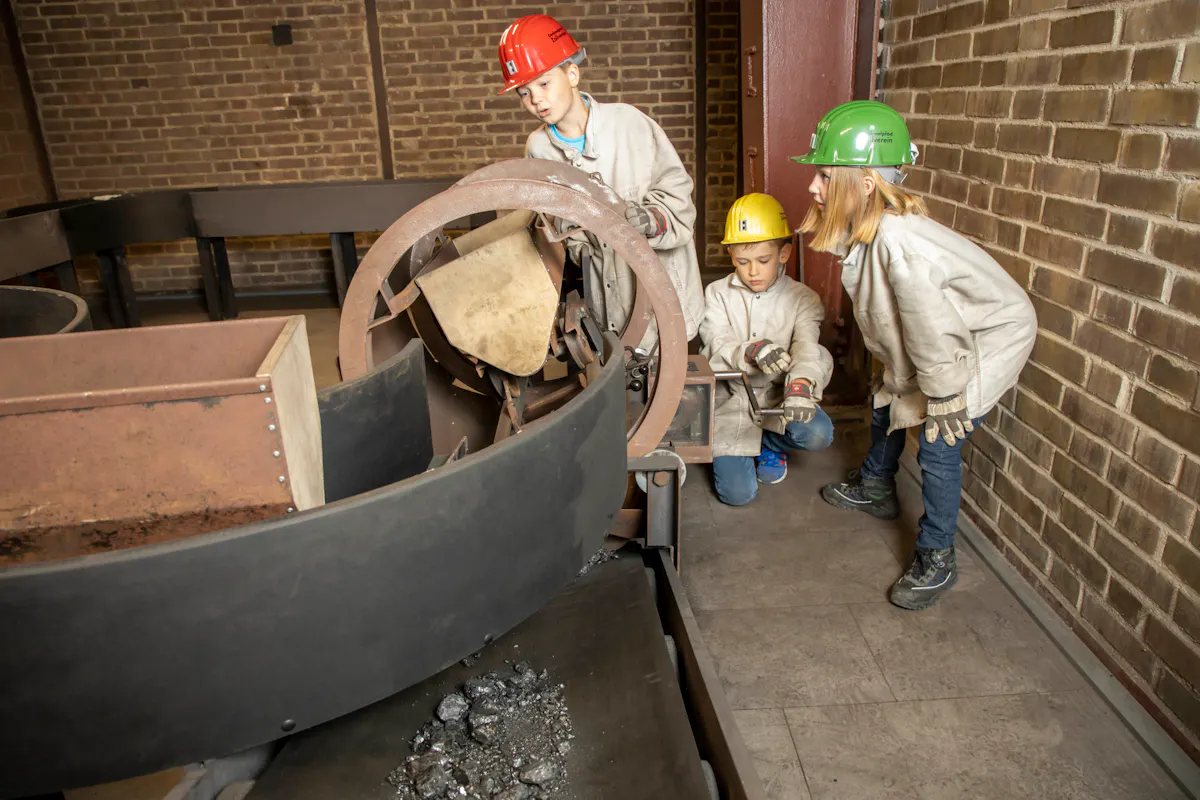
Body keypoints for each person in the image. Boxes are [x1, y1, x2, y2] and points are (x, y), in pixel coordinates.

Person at [793, 100, 1036, 610]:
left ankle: (937, 554)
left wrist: (946, 394)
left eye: (824, 175)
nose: (813, 186)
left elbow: (931, 323)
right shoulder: (870, 228)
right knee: (890, 396)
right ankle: (877, 487)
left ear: (864, 184)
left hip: (987, 336)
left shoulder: (899, 242)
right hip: (942, 335)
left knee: (938, 439)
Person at [496, 14, 705, 346]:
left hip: (663, 294)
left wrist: (651, 219)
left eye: (544, 83)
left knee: (670, 366)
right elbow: (547, 223)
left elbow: (677, 195)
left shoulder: (630, 125)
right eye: (524, 92)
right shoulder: (538, 148)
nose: (536, 100)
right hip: (605, 304)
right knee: (619, 364)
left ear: (572, 74)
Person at [700, 193, 834, 506]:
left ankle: (771, 444)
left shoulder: (804, 299)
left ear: (784, 253)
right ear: (731, 255)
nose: (753, 272)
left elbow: (807, 348)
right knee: (737, 495)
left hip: (778, 400)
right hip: (732, 403)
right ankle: (749, 445)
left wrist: (800, 387)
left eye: (763, 261)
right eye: (742, 262)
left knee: (817, 432)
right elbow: (717, 342)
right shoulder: (716, 294)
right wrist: (750, 351)